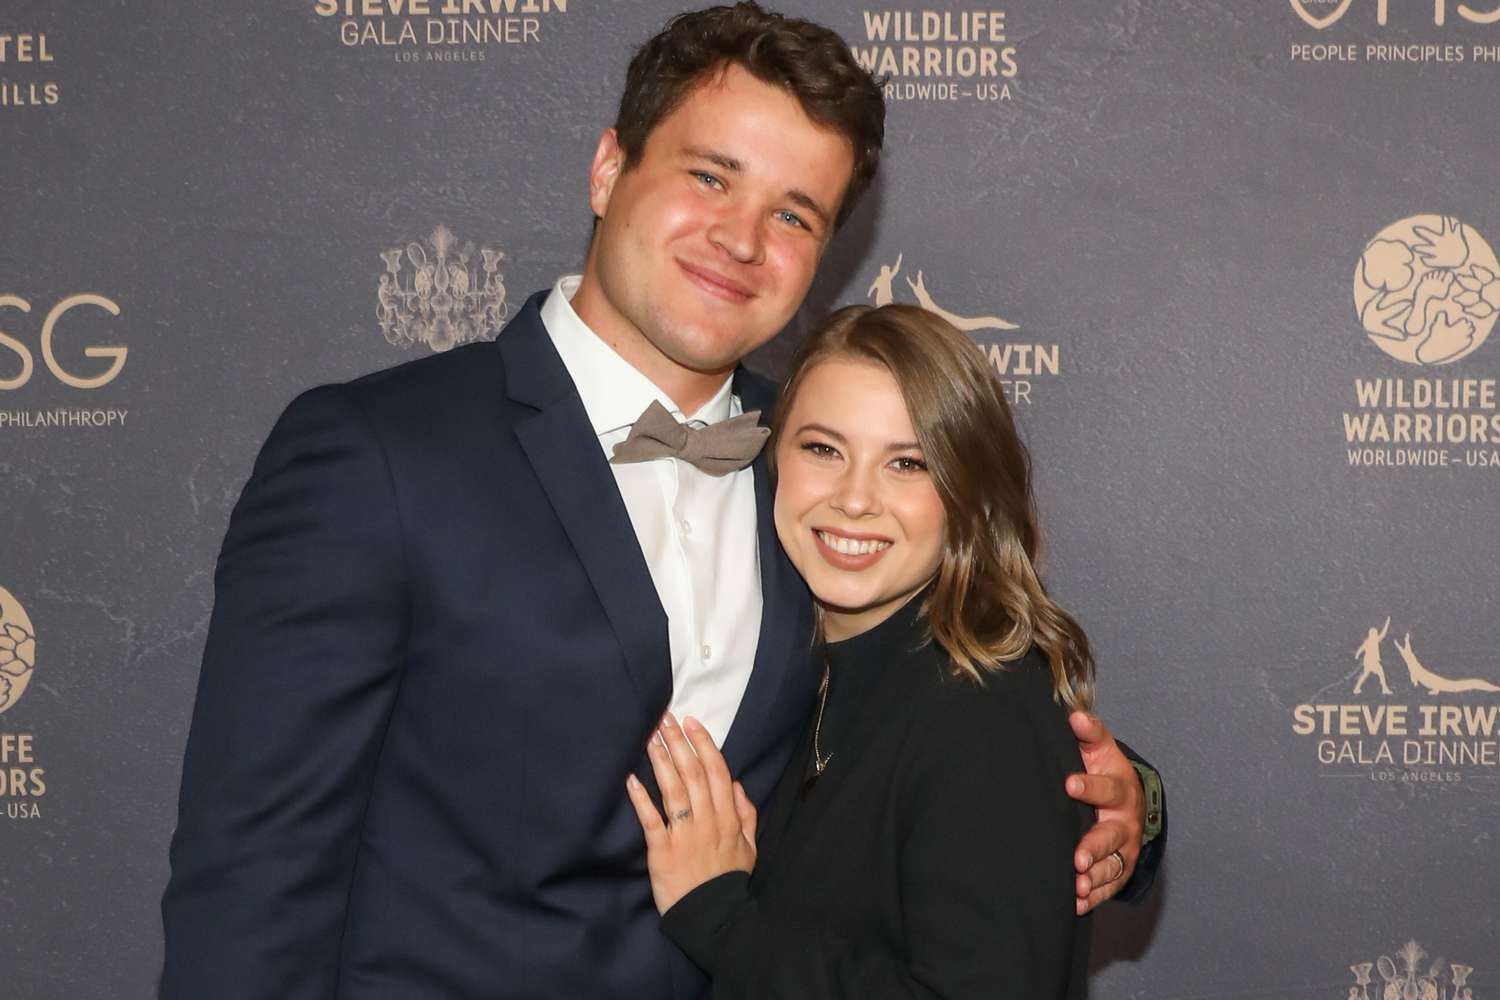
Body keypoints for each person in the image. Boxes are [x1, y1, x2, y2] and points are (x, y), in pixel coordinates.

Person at [159, 6, 1164, 999]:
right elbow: (253, 872)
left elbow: (932, 710)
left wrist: (1123, 800)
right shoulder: (377, 455)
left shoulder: (818, 467)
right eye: (708, 175)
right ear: (608, 170)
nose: (740, 238)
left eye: (792, 213)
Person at [627, 304, 1096, 997]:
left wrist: (722, 920)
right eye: (823, 449)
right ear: (774, 459)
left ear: (969, 492)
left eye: (907, 463)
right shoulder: (805, 668)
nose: (853, 499)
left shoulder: (982, 716)